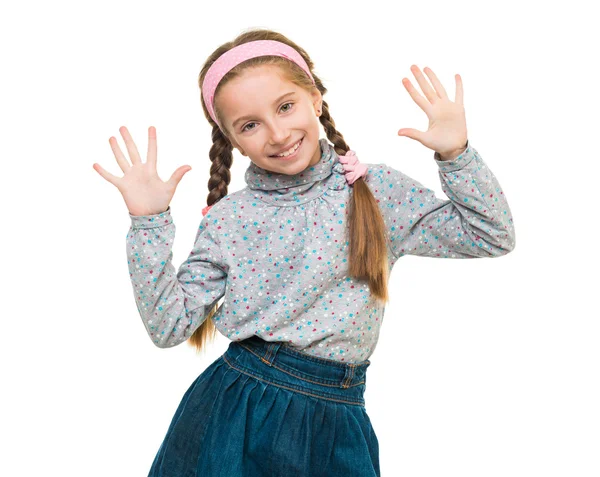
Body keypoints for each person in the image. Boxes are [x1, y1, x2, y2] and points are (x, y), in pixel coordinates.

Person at [93, 28, 516, 477]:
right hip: (240, 411)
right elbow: (168, 327)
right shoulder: (229, 219)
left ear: (315, 99)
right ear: (231, 140)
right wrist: (149, 224)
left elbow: (491, 235)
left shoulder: (375, 191)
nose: (277, 133)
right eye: (250, 125)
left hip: (341, 412)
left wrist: (457, 154)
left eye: (286, 106)